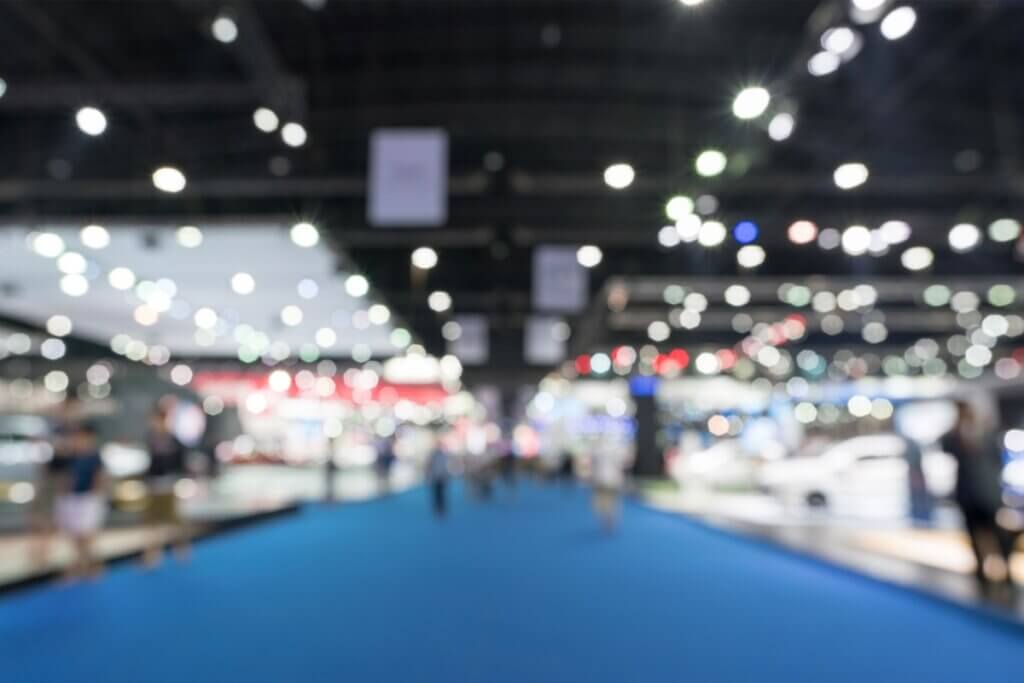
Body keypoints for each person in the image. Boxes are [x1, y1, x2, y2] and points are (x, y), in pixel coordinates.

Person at [941, 400, 1016, 596]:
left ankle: (1006, 572)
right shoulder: (955, 436)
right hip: (967, 495)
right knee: (974, 535)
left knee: (998, 535)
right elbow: (944, 447)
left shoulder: (987, 432)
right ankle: (981, 573)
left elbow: (997, 462)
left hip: (988, 494)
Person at [54, 423, 107, 581]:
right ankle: (82, 565)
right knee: (75, 536)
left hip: (87, 499)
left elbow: (99, 477)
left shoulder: (94, 456)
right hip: (70, 499)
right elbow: (60, 474)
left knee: (86, 536)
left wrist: (96, 496)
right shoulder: (69, 456)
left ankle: (91, 566)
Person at [142, 408, 190, 568]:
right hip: (154, 485)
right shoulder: (151, 439)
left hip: (169, 485)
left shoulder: (172, 440)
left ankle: (181, 550)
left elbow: (180, 461)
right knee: (152, 523)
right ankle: (153, 555)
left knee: (173, 521)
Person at [591, 445, 625, 533]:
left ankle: (609, 520)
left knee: (609, 503)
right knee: (606, 503)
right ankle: (608, 519)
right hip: (605, 482)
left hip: (609, 482)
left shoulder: (599, 453)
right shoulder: (600, 454)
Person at [426, 436, 450, 518]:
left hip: (441, 477)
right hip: (435, 477)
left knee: (441, 493)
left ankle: (441, 508)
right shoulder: (433, 455)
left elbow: (446, 466)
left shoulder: (443, 455)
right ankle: (437, 508)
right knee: (436, 494)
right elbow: (429, 466)